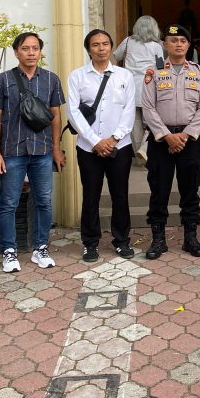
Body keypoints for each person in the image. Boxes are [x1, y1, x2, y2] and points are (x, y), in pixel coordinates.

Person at [0, 32, 66, 273]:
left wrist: (56, 149)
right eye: (25, 48)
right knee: (9, 203)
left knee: (43, 201)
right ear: (16, 52)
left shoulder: (51, 79)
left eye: (35, 48)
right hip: (12, 150)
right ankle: (9, 251)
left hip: (42, 150)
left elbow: (55, 116)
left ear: (40, 52)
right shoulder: (3, 80)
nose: (31, 53)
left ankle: (40, 247)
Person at [141, 25, 200, 259]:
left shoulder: (199, 72)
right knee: (158, 191)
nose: (178, 44)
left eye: (183, 40)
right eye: (173, 40)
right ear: (165, 44)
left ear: (189, 45)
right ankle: (158, 240)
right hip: (161, 142)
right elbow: (148, 107)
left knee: (190, 191)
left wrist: (186, 134)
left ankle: (190, 238)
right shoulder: (153, 72)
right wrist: (167, 135)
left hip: (188, 141)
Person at [68, 29, 136, 263]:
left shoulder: (124, 76)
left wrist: (114, 138)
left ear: (111, 47)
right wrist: (95, 141)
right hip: (89, 148)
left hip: (120, 146)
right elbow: (73, 112)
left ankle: (122, 240)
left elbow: (129, 110)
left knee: (120, 195)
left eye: (105, 44)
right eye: (95, 45)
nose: (101, 48)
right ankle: (90, 243)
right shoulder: (77, 76)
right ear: (89, 49)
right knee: (90, 196)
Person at [113, 15, 163, 165]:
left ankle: (140, 159)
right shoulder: (156, 46)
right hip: (149, 87)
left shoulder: (128, 41)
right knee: (151, 122)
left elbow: (116, 56)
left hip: (130, 87)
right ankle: (145, 149)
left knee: (134, 124)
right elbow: (160, 67)